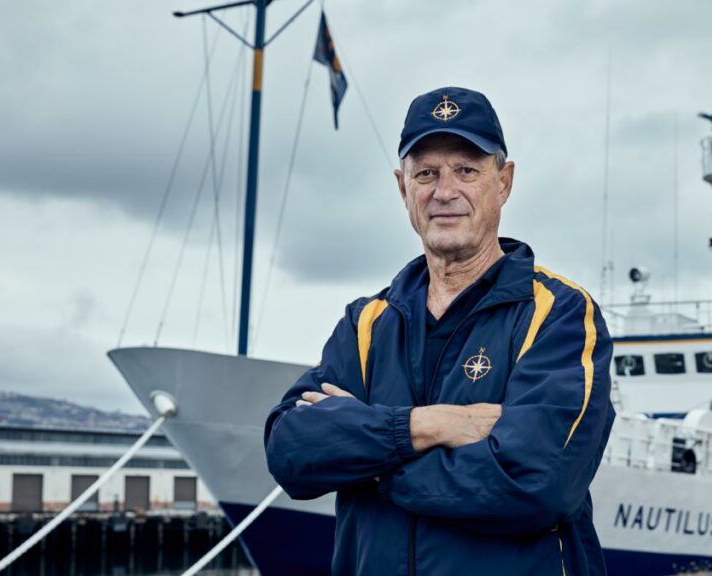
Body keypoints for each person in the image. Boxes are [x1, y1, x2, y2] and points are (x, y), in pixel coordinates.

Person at [264, 86, 615, 576]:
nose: (444, 191)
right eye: (426, 172)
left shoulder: (557, 314)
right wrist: (428, 426)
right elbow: (290, 451)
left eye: (467, 171)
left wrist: (367, 462)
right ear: (402, 187)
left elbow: (540, 483)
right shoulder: (366, 323)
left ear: (505, 182)